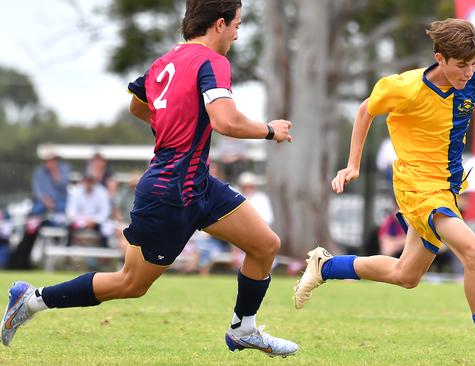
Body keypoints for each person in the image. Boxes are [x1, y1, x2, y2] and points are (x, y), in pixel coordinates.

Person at [2, 0, 298, 357]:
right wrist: (269, 130)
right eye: (237, 25)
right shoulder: (213, 62)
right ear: (219, 24)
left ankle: (244, 329)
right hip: (169, 190)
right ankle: (31, 301)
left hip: (197, 183)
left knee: (265, 244)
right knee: (131, 283)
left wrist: (174, 125)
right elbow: (226, 121)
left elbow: (138, 105)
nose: (237, 33)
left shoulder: (166, 60)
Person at [293, 18, 475, 366]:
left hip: (447, 187)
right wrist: (353, 164)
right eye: (461, 65)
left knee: (406, 275)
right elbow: (366, 110)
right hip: (415, 187)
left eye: (474, 63)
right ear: (440, 58)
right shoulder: (404, 88)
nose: (469, 72)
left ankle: (325, 266)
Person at [6, 145, 70, 270]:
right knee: (31, 228)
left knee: (61, 229)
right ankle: (21, 262)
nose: (49, 162)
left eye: (51, 159)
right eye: (47, 160)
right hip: (41, 207)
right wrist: (46, 201)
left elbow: (63, 186)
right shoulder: (39, 171)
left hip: (59, 207)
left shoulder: (64, 169)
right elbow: (38, 190)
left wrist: (54, 172)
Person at [66, 174, 112, 247]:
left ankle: (104, 254)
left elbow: (105, 212)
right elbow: (71, 211)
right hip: (80, 221)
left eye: (91, 181)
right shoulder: (76, 192)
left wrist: (93, 220)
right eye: (87, 181)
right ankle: (67, 253)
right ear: (83, 182)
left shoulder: (102, 192)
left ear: (94, 182)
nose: (89, 184)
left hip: (97, 222)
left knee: (105, 229)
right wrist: (82, 220)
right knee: (69, 227)